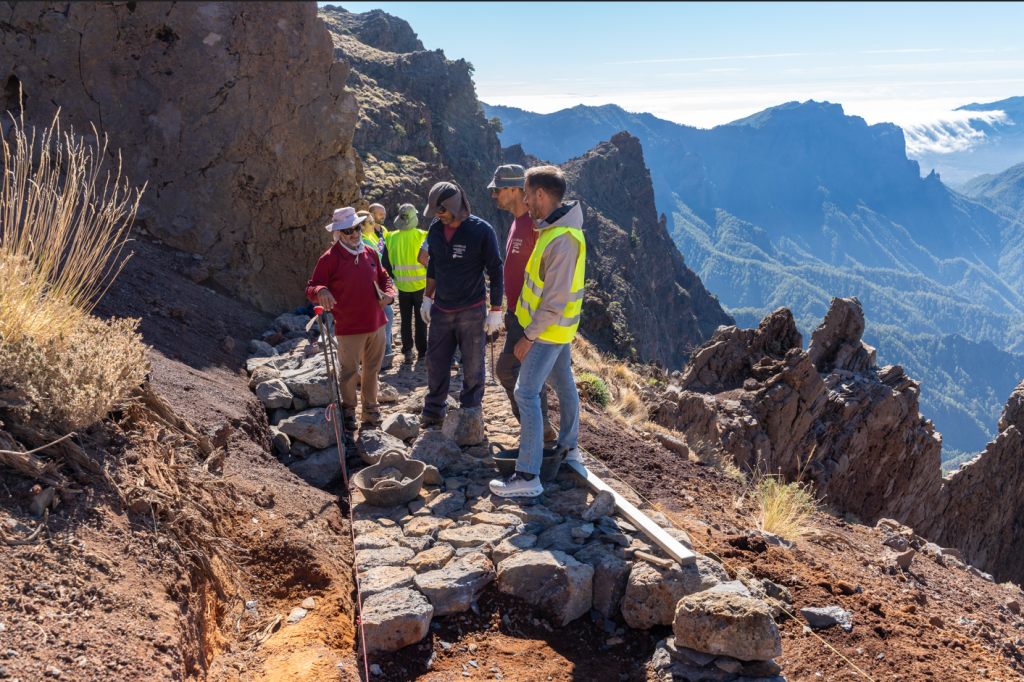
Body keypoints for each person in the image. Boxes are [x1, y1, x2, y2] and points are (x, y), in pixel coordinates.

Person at [490, 166, 586, 498]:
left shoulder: (561, 239)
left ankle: (528, 474)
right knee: (562, 383)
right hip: (558, 330)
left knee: (526, 392)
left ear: (541, 195)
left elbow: (555, 299)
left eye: (528, 193)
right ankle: (570, 447)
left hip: (547, 331)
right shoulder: (555, 231)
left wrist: (528, 336)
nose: (526, 199)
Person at [418, 181, 504, 428]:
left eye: (441, 210)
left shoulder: (481, 231)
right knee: (435, 362)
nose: (437, 216)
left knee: (473, 364)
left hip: (471, 309)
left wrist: (496, 311)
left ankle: (470, 411)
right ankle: (434, 410)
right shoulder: (435, 229)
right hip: (442, 309)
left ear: (455, 206)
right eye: (435, 211)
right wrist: (427, 297)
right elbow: (433, 263)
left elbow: (496, 270)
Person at [306, 207, 396, 429]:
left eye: (356, 228)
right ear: (338, 233)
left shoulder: (369, 252)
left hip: (377, 324)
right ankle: (348, 412)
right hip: (349, 327)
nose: (355, 233)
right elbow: (311, 287)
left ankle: (370, 410)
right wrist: (321, 291)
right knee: (348, 372)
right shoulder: (329, 258)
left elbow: (384, 277)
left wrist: (390, 296)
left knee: (372, 370)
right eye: (348, 231)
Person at [489, 164, 558, 443]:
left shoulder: (534, 225)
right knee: (526, 374)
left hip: (528, 317)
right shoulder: (517, 223)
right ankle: (540, 429)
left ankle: (537, 428)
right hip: (515, 313)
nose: (494, 195)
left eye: (498, 190)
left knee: (508, 370)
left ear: (515, 190)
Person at [383, 204, 428, 362]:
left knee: (405, 319)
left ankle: (407, 350)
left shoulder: (391, 237)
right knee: (421, 319)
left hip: (402, 286)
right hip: (421, 286)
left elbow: (385, 264)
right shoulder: (423, 236)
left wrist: (395, 278)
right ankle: (423, 352)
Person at [359, 210, 395, 369]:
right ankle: (383, 347)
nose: (374, 224)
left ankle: (381, 346)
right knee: (387, 312)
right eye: (370, 222)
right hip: (370, 285)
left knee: (385, 313)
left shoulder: (370, 238)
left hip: (377, 282)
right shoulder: (364, 242)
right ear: (361, 226)